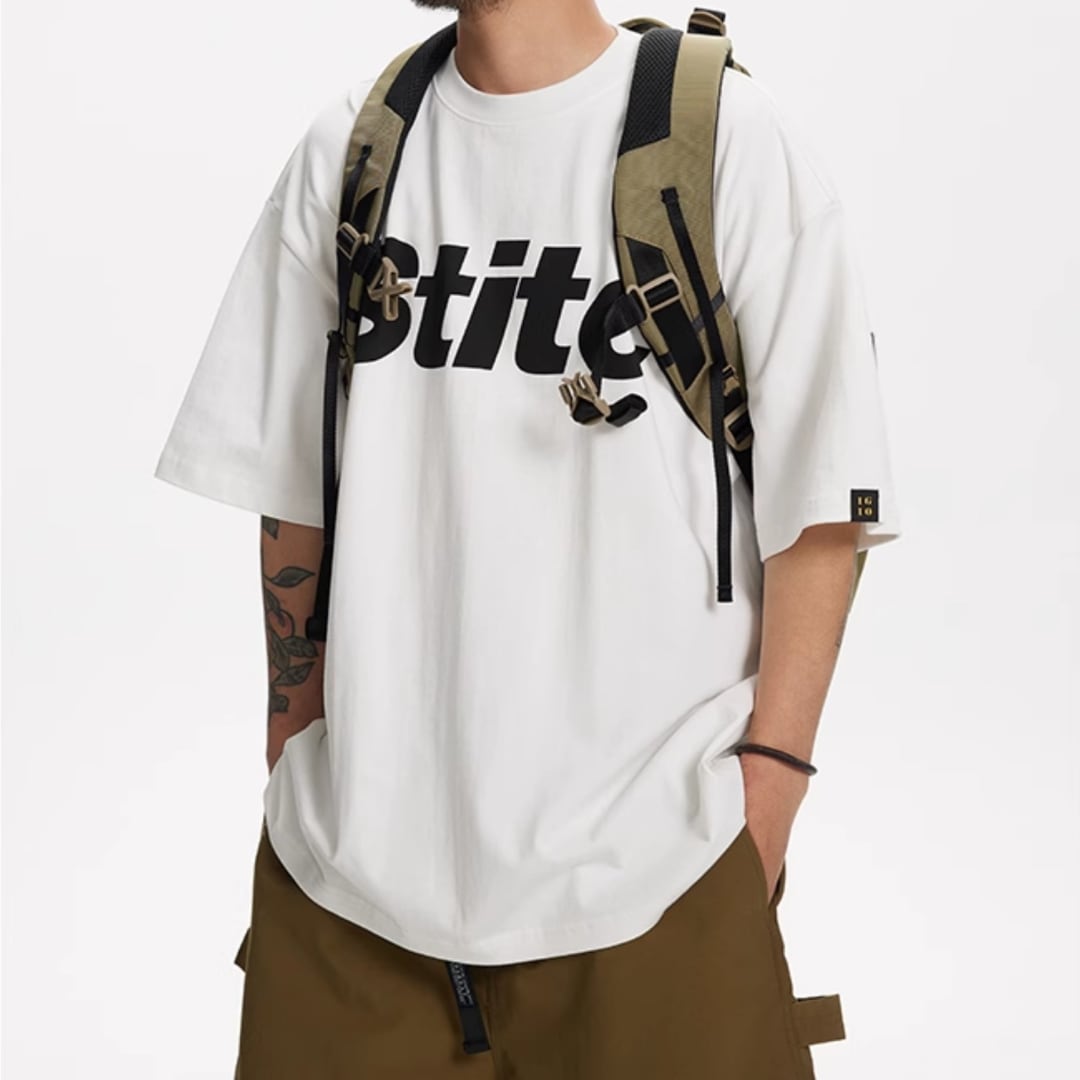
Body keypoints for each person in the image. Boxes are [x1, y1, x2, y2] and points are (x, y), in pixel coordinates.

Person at [154, 0, 902, 1075]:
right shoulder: (356, 147)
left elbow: (824, 501)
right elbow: (292, 484)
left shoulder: (728, 141)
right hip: (349, 897)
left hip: (659, 877)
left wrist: (768, 797)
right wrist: (296, 748)